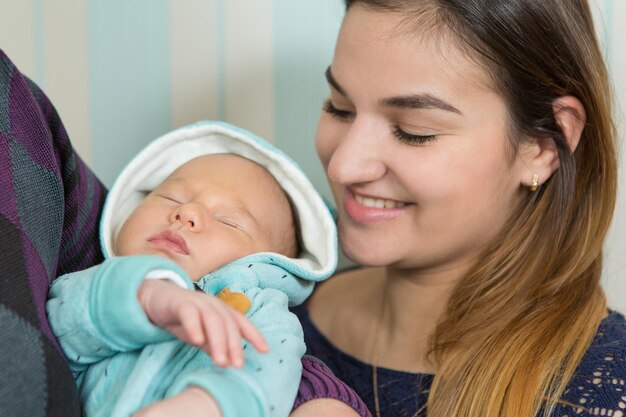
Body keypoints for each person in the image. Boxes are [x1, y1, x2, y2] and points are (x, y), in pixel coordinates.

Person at [291, 0, 626, 416]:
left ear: (542, 146)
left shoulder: (601, 392)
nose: (344, 166)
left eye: (414, 132)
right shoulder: (262, 321)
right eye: (338, 108)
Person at [46, 121, 341, 417]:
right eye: (171, 198)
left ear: (270, 261)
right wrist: (146, 296)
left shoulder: (258, 311)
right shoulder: (97, 282)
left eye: (228, 220)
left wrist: (206, 404)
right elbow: (57, 332)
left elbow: (270, 371)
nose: (187, 213)